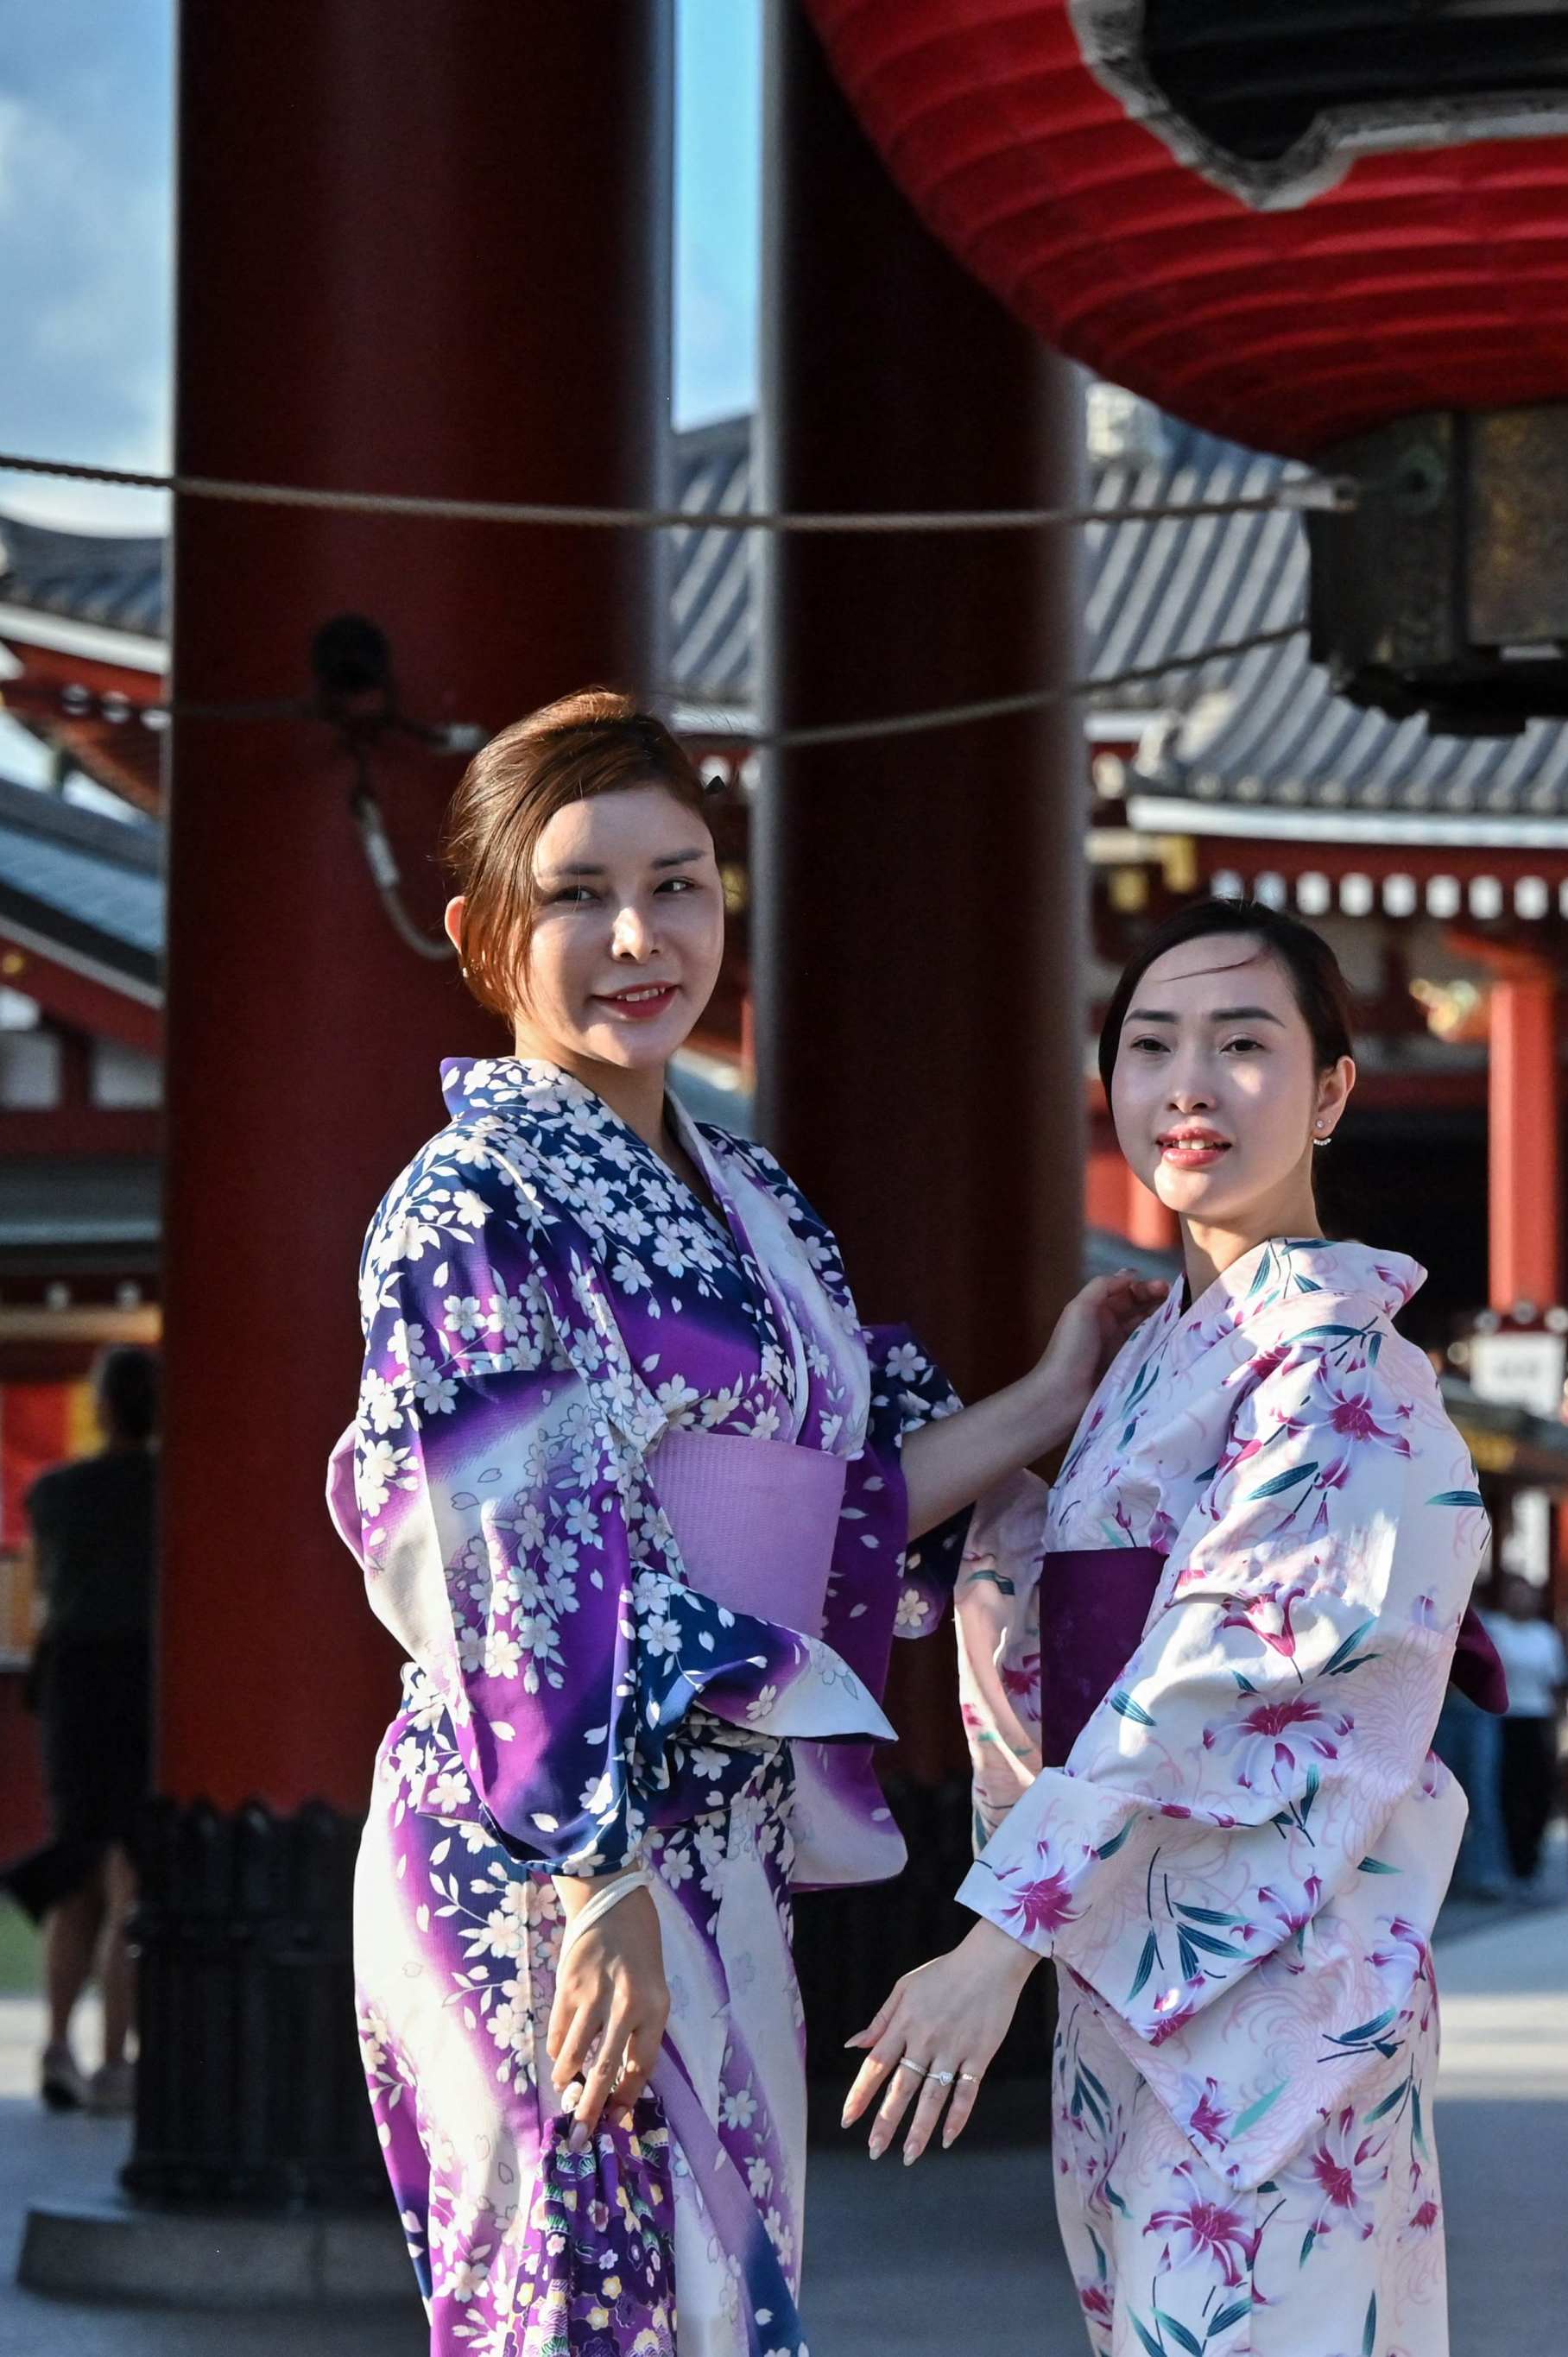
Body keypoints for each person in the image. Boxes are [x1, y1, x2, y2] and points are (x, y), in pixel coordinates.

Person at [330, 691, 1152, 2357]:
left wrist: (1047, 1398)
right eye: (577, 896)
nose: (639, 937)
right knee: (576, 2306)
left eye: (681, 884)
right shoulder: (469, 1201)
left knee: (729, 2300)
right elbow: (515, 1550)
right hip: (544, 1848)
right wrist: (593, 1876)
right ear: (484, 936)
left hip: (721, 1837)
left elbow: (830, 1521)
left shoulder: (750, 1191)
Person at [850, 897, 1489, 2357]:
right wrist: (1045, 1418)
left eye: (1244, 1045)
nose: (1188, 1085)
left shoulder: (1342, 1372)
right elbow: (1035, 1613)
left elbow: (1205, 1675)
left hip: (1283, 1991)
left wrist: (990, 1947)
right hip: (1122, 1975)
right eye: (1151, 1046)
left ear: (1332, 1089)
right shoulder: (1153, 1360)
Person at [0, 1344, 161, 2114]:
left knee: (77, 1865)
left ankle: (57, 2043)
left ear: (101, 1408)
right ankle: (116, 2060)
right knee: (130, 1866)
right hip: (147, 1676)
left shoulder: (55, 1493)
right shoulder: (176, 1489)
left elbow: (48, 1591)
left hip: (72, 1679)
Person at [1478, 1571, 1568, 1884]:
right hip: (1502, 1720)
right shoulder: (1495, 1630)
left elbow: (1558, 1685)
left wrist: (1562, 1727)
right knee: (1505, 1791)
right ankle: (1510, 1859)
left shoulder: (1546, 1635)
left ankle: (1531, 1855)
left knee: (1538, 1792)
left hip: (1537, 1719)